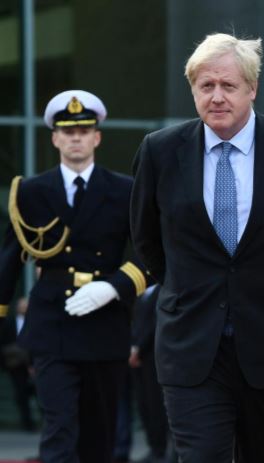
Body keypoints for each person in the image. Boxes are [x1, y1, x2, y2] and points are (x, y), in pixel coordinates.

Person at [129, 32, 264, 462]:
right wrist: (189, 286)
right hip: (192, 343)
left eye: (228, 85)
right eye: (207, 86)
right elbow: (146, 238)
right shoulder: (160, 151)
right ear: (193, 92)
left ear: (252, 88)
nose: (217, 97)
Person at [0, 89, 149, 463]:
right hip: (53, 325)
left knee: (99, 434)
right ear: (55, 138)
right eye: (68, 132)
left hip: (106, 323)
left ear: (97, 136)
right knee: (59, 428)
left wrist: (115, 287)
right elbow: (9, 258)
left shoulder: (125, 191)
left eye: (84, 130)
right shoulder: (31, 192)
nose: (76, 138)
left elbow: (151, 253)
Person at [129, 283, 171, 463]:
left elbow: (155, 324)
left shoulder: (163, 290)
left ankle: (160, 450)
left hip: (153, 357)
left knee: (156, 405)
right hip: (138, 359)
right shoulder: (140, 294)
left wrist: (139, 347)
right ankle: (153, 447)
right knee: (144, 404)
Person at [0, 297, 37, 431]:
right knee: (20, 393)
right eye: (22, 306)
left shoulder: (36, 322)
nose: (24, 308)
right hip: (15, 364)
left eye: (26, 306)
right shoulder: (9, 323)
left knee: (38, 392)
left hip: (34, 364)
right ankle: (27, 423)